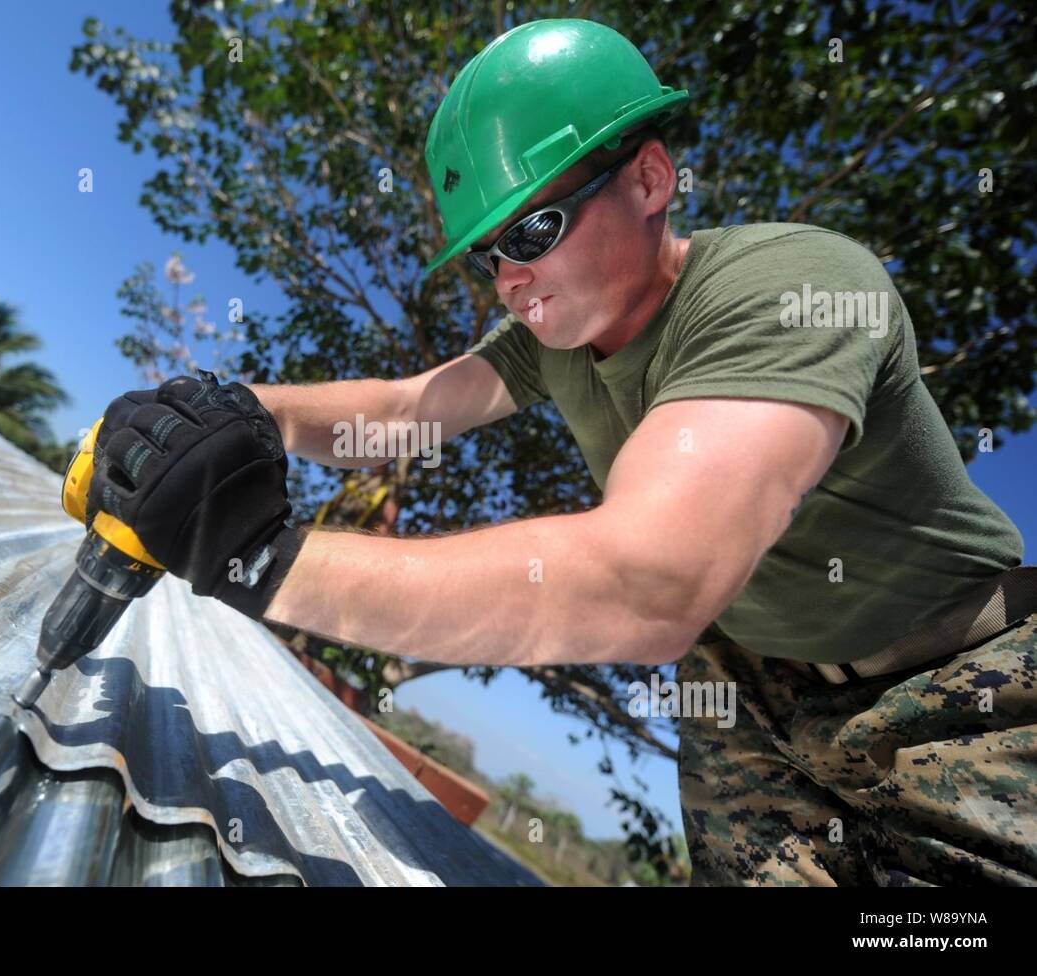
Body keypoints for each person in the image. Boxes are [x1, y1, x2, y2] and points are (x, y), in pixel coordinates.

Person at [85, 18, 1036, 885]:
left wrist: (247, 555)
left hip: (952, 696)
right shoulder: (556, 338)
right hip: (747, 681)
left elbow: (647, 582)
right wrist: (231, 411)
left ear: (652, 179)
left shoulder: (796, 288)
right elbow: (408, 411)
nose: (509, 279)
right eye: (486, 255)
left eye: (534, 231)